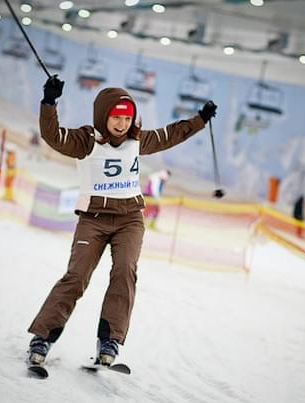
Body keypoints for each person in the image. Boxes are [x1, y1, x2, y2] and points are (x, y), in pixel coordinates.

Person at [26, 75, 217, 367]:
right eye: (116, 117)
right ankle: (42, 337)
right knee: (76, 277)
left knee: (125, 271)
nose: (121, 124)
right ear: (104, 115)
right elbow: (53, 137)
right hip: (94, 219)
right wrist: (49, 102)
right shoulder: (86, 140)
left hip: (129, 219)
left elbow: (171, 134)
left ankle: (110, 340)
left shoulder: (137, 140)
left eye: (126, 118)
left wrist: (200, 119)